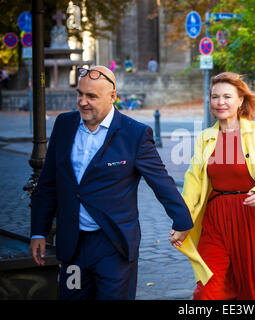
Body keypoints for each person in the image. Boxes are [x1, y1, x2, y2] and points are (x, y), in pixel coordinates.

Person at [29, 65, 192, 300]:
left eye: (91, 96)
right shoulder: (64, 125)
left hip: (113, 247)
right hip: (73, 248)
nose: (83, 102)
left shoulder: (133, 134)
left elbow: (161, 180)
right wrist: (38, 232)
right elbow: (48, 183)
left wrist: (182, 219)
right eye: (80, 94)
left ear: (112, 96)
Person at [178, 72, 255, 300]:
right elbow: (192, 182)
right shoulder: (205, 138)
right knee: (208, 290)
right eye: (215, 97)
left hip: (252, 218)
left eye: (226, 96)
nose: (220, 102)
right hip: (216, 221)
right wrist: (181, 218)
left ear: (240, 100)